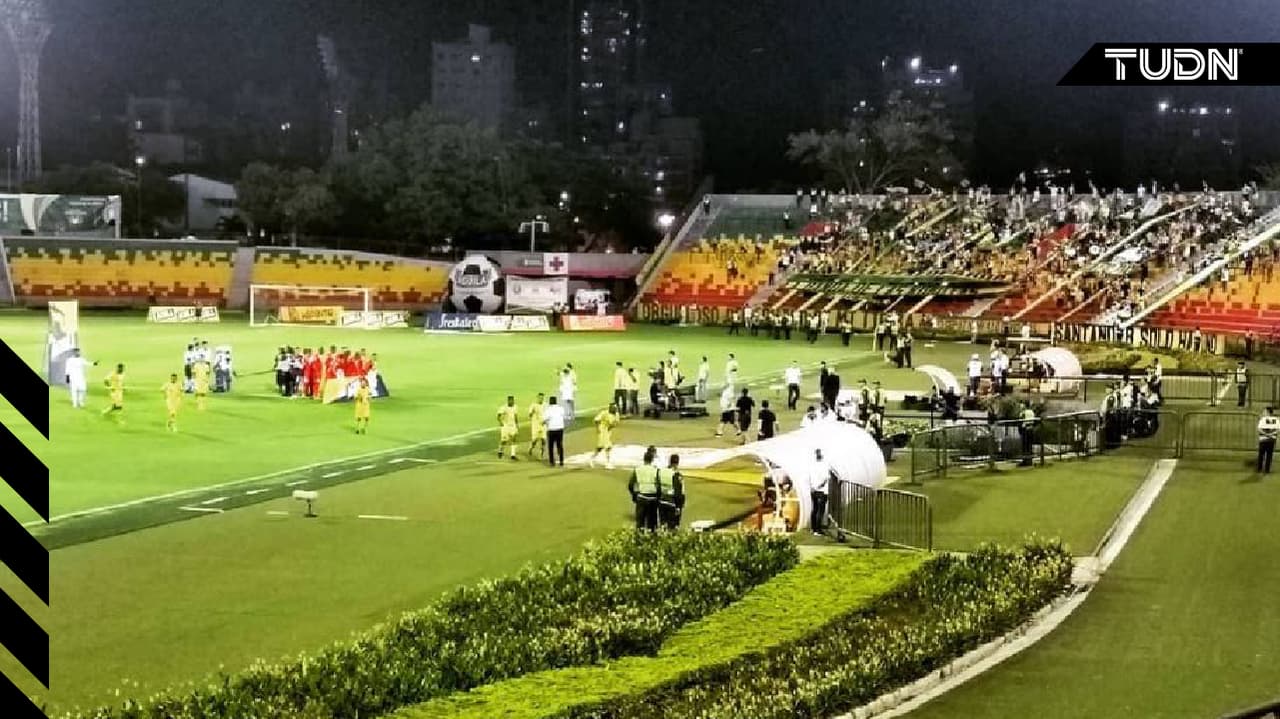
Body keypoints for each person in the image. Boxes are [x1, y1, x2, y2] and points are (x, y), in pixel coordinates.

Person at [628, 446, 661, 531]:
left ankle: (639, 538)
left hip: (641, 498)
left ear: (644, 459)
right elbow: (659, 486)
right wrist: (658, 497)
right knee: (652, 524)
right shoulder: (656, 470)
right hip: (653, 498)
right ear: (652, 459)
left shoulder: (637, 469)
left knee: (640, 524)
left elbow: (631, 485)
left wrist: (634, 495)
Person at [808, 448, 833, 535]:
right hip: (821, 491)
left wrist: (813, 487)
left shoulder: (812, 465)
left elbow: (809, 477)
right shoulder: (824, 465)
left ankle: (813, 528)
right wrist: (819, 486)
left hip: (813, 490)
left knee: (815, 509)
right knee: (820, 511)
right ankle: (818, 530)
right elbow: (825, 478)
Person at [589, 403, 621, 469]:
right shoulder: (604, 413)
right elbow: (596, 420)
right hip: (602, 430)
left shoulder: (617, 415)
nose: (615, 409)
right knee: (608, 446)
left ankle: (592, 458)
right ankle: (607, 463)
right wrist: (598, 429)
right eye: (614, 408)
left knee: (600, 447)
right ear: (610, 408)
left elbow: (615, 423)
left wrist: (610, 427)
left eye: (615, 408)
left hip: (608, 431)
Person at [658, 454, 685, 530]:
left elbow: (658, 486)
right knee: (672, 527)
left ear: (669, 461)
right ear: (677, 463)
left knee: (663, 525)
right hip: (672, 503)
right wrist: (679, 506)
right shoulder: (678, 475)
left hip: (662, 501)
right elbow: (679, 492)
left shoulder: (661, 472)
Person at [545, 396, 566, 467]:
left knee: (551, 446)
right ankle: (561, 461)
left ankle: (552, 462)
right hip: (560, 429)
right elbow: (563, 416)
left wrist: (544, 423)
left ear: (550, 402)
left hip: (551, 429)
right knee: (560, 444)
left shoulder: (548, 410)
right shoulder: (561, 408)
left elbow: (544, 419)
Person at [497, 395, 519, 460]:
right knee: (504, 441)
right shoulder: (504, 407)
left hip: (513, 425)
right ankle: (500, 451)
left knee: (513, 439)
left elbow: (515, 416)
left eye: (513, 400)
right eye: (511, 400)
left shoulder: (515, 407)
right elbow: (498, 415)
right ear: (508, 401)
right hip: (505, 426)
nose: (512, 402)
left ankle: (513, 455)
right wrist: (500, 422)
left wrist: (517, 425)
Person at [1258, 406, 1278, 474]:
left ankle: (1261, 468)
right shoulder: (1275, 419)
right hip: (1269, 439)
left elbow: (1260, 429)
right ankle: (1265, 469)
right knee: (1267, 454)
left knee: (1263, 454)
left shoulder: (1264, 419)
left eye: (1265, 411)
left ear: (1268, 412)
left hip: (1265, 439)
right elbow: (1277, 430)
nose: (1263, 413)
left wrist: (1266, 434)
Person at [527, 392, 547, 459]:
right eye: (540, 398)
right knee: (534, 440)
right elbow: (529, 415)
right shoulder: (533, 405)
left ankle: (541, 454)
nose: (541, 399)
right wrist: (531, 413)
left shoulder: (545, 405)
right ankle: (531, 447)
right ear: (537, 398)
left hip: (543, 424)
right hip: (535, 425)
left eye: (542, 398)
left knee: (543, 440)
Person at [1019, 402, 1038, 466]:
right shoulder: (1032, 412)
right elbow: (1034, 420)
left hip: (1025, 430)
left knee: (1024, 446)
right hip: (1031, 429)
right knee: (1029, 446)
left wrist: (1020, 430)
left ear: (1025, 406)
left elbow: (1021, 421)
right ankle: (1030, 461)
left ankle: (1025, 461)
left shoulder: (1023, 412)